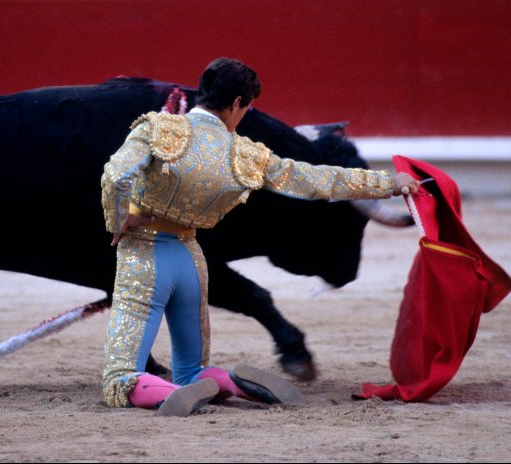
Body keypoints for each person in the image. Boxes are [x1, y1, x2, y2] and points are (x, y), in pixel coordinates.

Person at [101, 57, 419, 416]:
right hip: (191, 260)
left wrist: (118, 221)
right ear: (237, 103)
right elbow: (314, 180)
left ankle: (163, 395)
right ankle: (230, 383)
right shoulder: (246, 154)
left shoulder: (159, 129)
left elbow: (115, 176)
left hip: (145, 257)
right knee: (192, 369)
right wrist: (386, 184)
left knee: (120, 378)